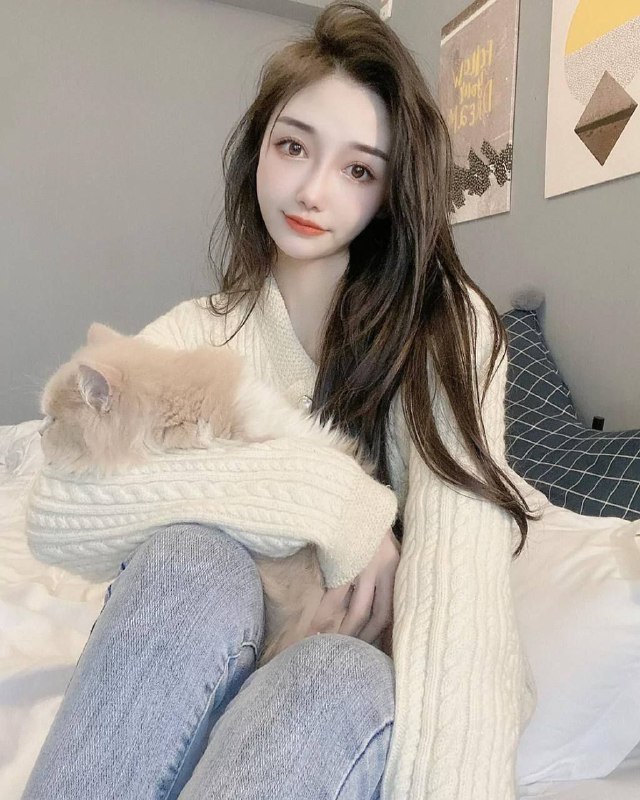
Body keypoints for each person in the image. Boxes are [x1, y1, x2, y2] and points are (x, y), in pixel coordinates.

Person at [23, 2, 538, 798]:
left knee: (334, 673)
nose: (311, 189)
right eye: (293, 146)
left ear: (389, 191)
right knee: (187, 559)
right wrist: (338, 501)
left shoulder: (446, 330)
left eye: (359, 170)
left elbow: (461, 594)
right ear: (258, 149)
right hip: (212, 640)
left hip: (342, 675)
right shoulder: (198, 332)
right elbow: (55, 508)